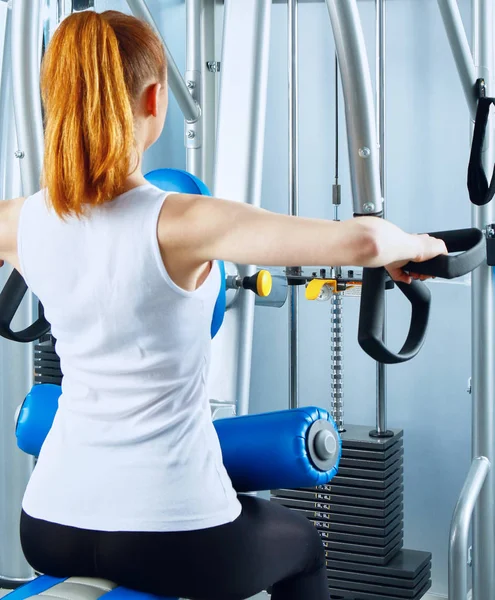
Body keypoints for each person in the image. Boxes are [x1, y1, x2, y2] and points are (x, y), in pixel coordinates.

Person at [0, 10, 446, 600]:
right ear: (155, 101)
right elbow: (362, 242)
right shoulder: (182, 221)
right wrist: (419, 246)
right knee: (305, 546)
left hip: (49, 524)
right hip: (171, 533)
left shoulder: (19, 220)